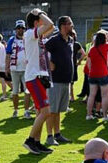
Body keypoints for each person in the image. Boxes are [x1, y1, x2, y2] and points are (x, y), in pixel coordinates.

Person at [22, 8, 55, 155]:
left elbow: (51, 27)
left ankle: (36, 142)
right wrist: (39, 13)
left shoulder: (36, 36)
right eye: (41, 20)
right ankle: (29, 140)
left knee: (40, 112)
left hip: (39, 77)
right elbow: (50, 24)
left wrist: (40, 16)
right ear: (36, 22)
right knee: (46, 111)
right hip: (34, 77)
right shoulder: (30, 33)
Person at [43, 15, 74, 145]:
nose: (72, 26)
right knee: (52, 110)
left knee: (58, 111)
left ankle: (58, 134)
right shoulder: (54, 40)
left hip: (66, 80)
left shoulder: (70, 40)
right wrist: (49, 63)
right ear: (63, 26)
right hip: (55, 80)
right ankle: (50, 136)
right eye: (69, 23)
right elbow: (42, 51)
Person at [6, 20, 32, 119]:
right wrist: (6, 67)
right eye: (18, 28)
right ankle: (15, 110)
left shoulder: (28, 39)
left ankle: (26, 111)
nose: (20, 30)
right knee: (15, 91)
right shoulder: (12, 40)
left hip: (26, 69)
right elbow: (8, 54)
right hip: (14, 69)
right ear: (16, 30)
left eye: (22, 28)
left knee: (27, 91)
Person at [86, 30, 108, 121]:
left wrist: (90, 71)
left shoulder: (92, 49)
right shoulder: (105, 46)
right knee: (104, 95)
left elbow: (88, 63)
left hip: (93, 74)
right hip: (103, 73)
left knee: (91, 95)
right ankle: (105, 115)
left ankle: (89, 115)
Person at [70, 30, 86, 102]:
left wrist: (79, 61)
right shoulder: (76, 44)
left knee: (70, 82)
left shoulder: (75, 44)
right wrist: (79, 61)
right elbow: (84, 54)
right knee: (71, 82)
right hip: (73, 65)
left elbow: (84, 54)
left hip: (70, 65)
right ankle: (71, 97)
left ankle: (71, 97)